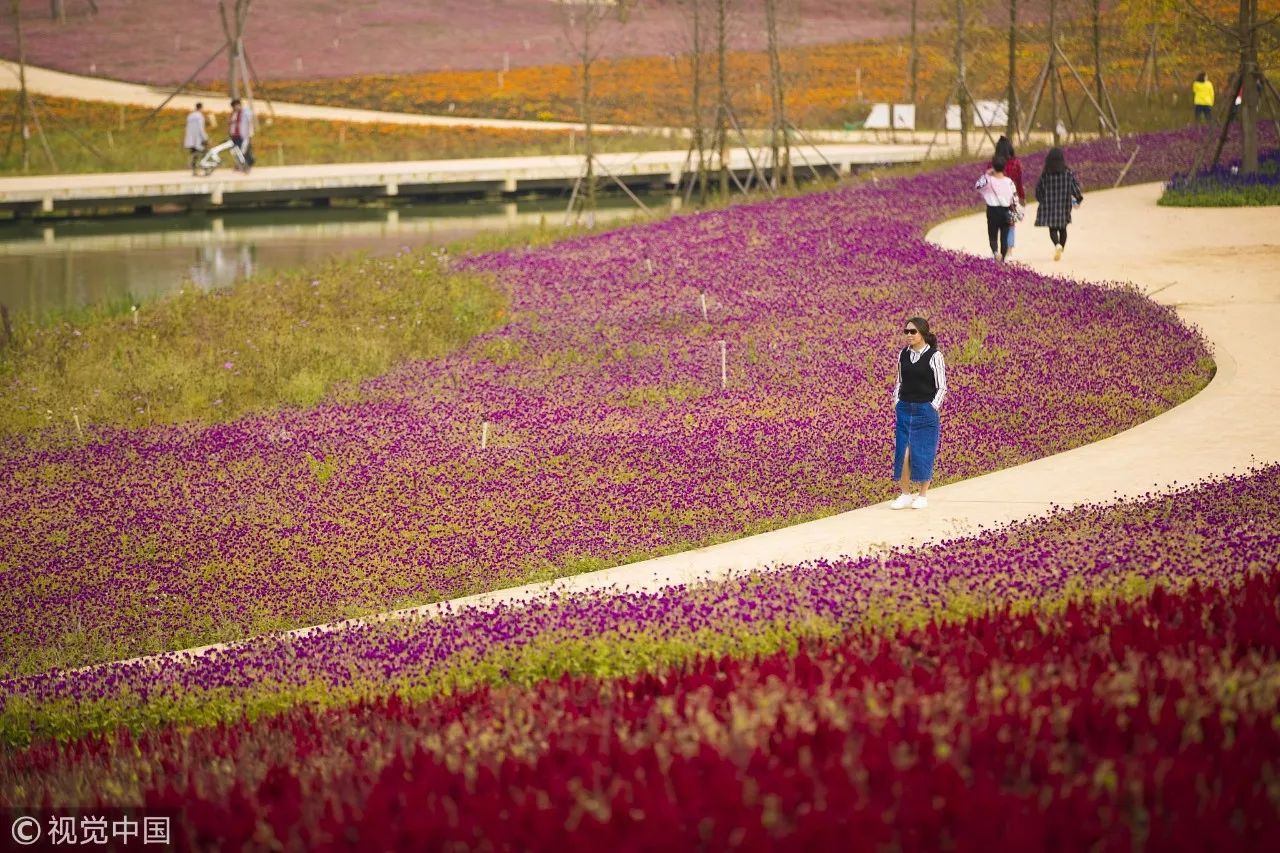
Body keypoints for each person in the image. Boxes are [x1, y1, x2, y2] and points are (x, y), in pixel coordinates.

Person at [889, 317, 946, 511]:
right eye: (906, 332)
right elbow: (899, 380)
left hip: (925, 410)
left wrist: (933, 406)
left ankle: (922, 495)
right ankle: (905, 494)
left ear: (923, 333)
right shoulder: (903, 354)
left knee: (922, 452)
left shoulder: (935, 356)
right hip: (905, 408)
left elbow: (941, 387)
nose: (909, 335)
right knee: (903, 453)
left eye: (913, 332)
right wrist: (896, 401)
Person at [1034, 147, 1084, 262]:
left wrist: (1041, 200)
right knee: (1063, 228)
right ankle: (1061, 247)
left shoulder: (1045, 174)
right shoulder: (1067, 173)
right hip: (1064, 205)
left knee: (1052, 228)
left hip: (1050, 205)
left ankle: (1057, 245)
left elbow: (1038, 190)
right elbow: (1074, 187)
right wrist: (1078, 199)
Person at [975, 155, 1018, 262]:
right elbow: (1015, 198)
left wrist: (986, 174)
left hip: (992, 211)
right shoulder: (1009, 182)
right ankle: (1003, 258)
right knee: (1004, 237)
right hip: (1006, 211)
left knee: (993, 235)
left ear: (993, 166)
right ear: (1004, 167)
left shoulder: (988, 181)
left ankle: (995, 252)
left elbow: (977, 186)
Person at [992, 136, 1025, 254]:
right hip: (1011, 199)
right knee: (1010, 224)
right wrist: (1022, 197)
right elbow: (1019, 182)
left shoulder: (993, 163)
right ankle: (1009, 250)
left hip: (996, 200)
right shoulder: (1015, 163)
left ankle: (996, 251)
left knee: (996, 226)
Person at [228, 97, 255, 173]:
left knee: (245, 151)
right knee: (236, 151)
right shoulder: (234, 113)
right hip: (235, 135)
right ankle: (239, 166)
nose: (235, 108)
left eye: (236, 106)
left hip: (244, 135)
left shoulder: (246, 112)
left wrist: (250, 134)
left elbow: (250, 123)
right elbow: (231, 124)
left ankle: (247, 167)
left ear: (239, 105)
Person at [183, 101, 208, 175]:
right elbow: (201, 128)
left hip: (191, 138)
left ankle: (194, 170)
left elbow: (187, 127)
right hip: (198, 138)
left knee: (194, 154)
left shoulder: (190, 116)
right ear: (201, 108)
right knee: (204, 153)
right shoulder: (200, 116)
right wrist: (205, 138)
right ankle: (203, 168)